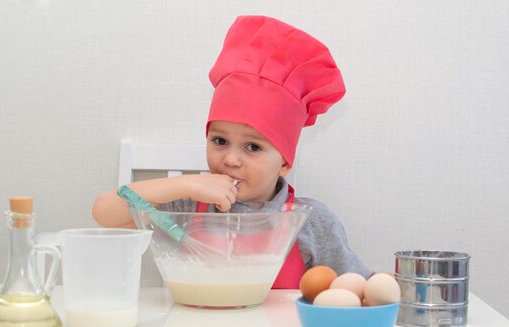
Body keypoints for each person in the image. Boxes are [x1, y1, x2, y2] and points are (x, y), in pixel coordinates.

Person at [92, 15, 372, 288]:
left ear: (285, 162)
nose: (230, 159)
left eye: (253, 147)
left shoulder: (309, 221)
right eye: (220, 141)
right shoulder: (188, 207)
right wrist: (185, 184)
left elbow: (358, 287)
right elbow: (104, 212)